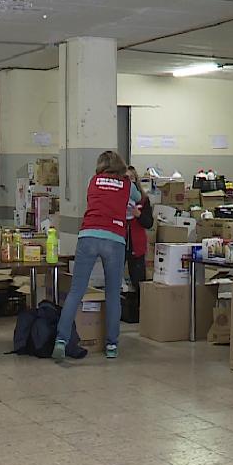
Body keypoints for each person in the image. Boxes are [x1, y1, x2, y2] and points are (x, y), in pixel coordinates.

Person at [53, 151, 140, 361]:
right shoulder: (127, 185)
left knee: (76, 292)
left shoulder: (93, 181)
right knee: (112, 294)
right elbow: (138, 199)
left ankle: (61, 340)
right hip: (115, 238)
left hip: (89, 235)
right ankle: (111, 345)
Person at [124, 166, 154, 295]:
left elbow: (149, 223)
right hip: (121, 243)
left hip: (137, 245)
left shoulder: (143, 199)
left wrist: (138, 215)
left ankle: (139, 309)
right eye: (126, 179)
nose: (129, 182)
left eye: (132, 178)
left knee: (138, 281)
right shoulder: (118, 199)